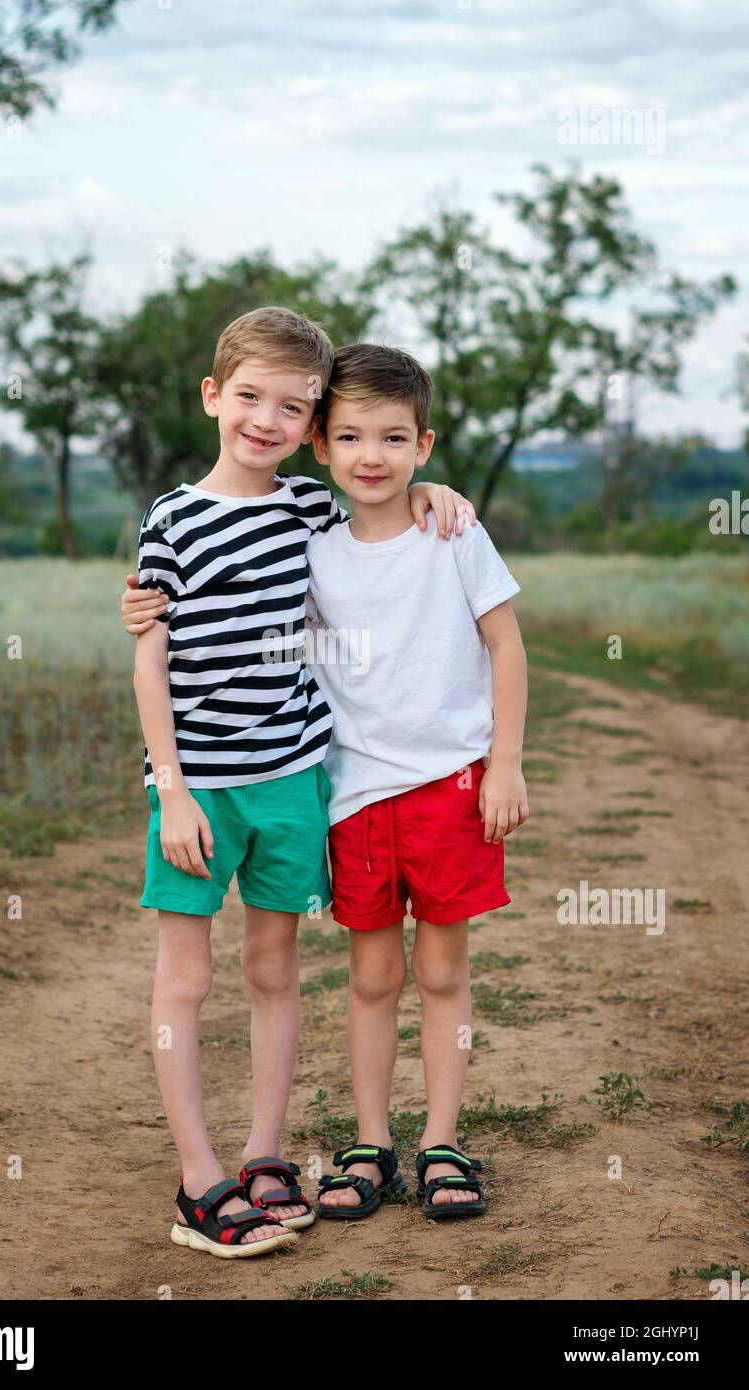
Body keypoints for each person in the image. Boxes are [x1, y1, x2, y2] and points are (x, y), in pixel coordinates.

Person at [127, 307, 476, 1257]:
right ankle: (200, 1178)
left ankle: (263, 1155)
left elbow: (381, 499)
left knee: (276, 969)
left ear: (311, 426)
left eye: (293, 407)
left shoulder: (308, 508)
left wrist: (433, 486)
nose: (267, 420)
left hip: (290, 779)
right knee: (187, 979)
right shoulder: (173, 519)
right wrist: (174, 786)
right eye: (250, 398)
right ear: (214, 397)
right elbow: (149, 659)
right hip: (198, 787)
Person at [304, 343, 529, 1223]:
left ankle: (442, 1141)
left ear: (423, 447)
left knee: (442, 975)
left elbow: (505, 645)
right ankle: (371, 1143)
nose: (372, 455)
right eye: (351, 435)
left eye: (393, 438)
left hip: (451, 786)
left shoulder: (454, 533)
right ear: (319, 443)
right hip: (357, 796)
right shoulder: (312, 550)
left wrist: (504, 762)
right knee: (369, 980)